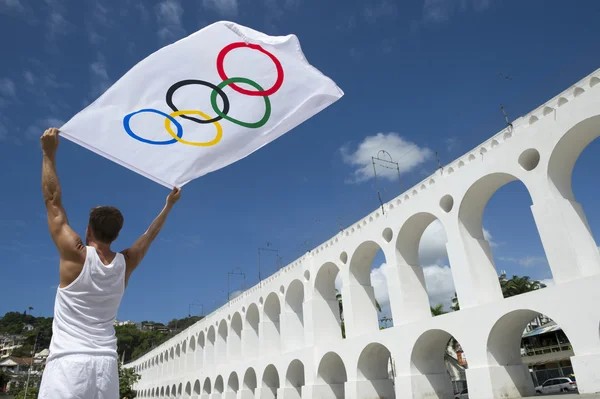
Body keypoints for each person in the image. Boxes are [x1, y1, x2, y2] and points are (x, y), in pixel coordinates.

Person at [38, 128, 181, 398]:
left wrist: (49, 153)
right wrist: (169, 205)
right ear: (117, 236)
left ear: (88, 230)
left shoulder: (77, 255)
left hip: (69, 364)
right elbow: (150, 235)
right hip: (106, 367)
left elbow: (52, 202)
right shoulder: (125, 263)